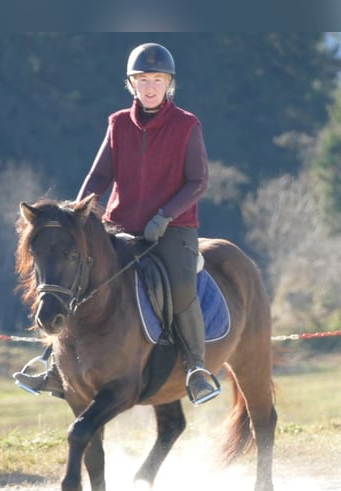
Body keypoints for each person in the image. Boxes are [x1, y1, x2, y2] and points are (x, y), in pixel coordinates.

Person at [14, 42, 221, 406]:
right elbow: (98, 177)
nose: (150, 86)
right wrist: (75, 218)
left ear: (169, 83)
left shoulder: (188, 125)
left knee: (181, 285)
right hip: (120, 225)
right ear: (132, 84)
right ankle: (53, 366)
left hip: (172, 230)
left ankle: (195, 369)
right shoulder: (118, 124)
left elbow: (198, 182)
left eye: (158, 79)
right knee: (79, 279)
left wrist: (166, 216)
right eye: (143, 79)